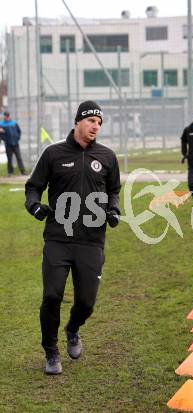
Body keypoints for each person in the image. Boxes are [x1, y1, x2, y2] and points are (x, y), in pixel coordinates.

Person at [25, 101, 121, 374]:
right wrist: (34, 206)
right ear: (79, 121)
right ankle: (51, 352)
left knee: (86, 303)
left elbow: (114, 189)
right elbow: (33, 187)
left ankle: (73, 329)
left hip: (91, 240)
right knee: (52, 295)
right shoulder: (53, 153)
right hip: (58, 237)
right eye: (92, 121)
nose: (96, 127)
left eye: (100, 123)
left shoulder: (107, 156)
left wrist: (113, 209)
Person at [0, 111, 26, 176]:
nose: (7, 117)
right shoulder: (2, 124)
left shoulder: (14, 123)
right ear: (4, 116)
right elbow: (1, 135)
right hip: (8, 145)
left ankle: (22, 171)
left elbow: (19, 131)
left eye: (8, 116)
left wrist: (17, 138)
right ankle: (10, 172)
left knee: (19, 158)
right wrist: (4, 137)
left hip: (16, 144)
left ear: (9, 116)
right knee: (9, 159)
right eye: (6, 116)